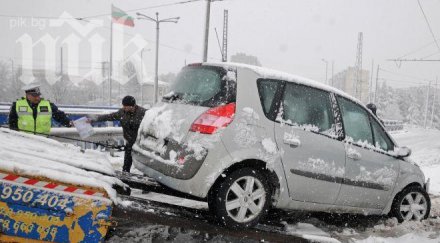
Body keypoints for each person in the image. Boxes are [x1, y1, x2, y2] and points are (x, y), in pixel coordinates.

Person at [89, 96, 146, 173]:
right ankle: (125, 175)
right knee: (127, 163)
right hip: (129, 142)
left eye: (126, 106)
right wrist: (93, 119)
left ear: (132, 106)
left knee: (144, 165)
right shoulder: (122, 112)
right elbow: (109, 116)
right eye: (123, 106)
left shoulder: (143, 113)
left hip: (141, 144)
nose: (124, 108)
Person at [8, 83, 73, 134]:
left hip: (43, 141)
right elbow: (12, 124)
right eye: (34, 96)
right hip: (24, 142)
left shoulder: (48, 105)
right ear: (27, 95)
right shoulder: (17, 105)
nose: (37, 98)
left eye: (38, 95)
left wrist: (69, 123)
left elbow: (60, 116)